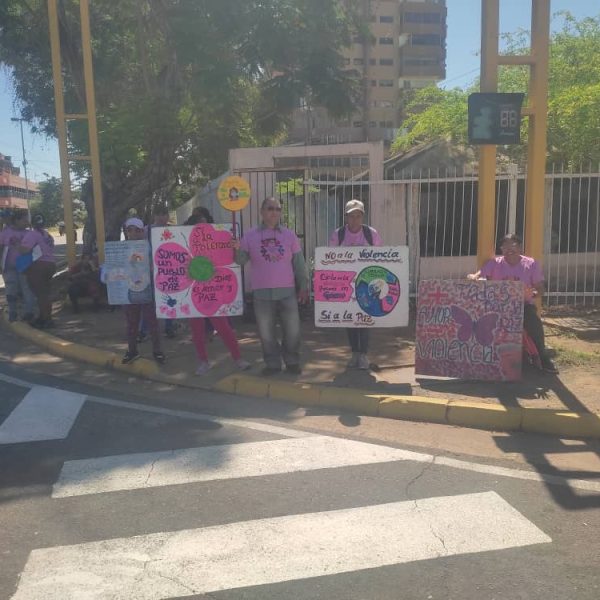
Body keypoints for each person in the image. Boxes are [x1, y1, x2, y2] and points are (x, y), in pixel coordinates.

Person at [234, 197, 308, 376]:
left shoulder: (289, 235)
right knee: (266, 334)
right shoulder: (250, 235)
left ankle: (292, 361)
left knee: (292, 332)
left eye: (277, 209)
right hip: (262, 293)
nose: (274, 212)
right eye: (270, 208)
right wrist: (236, 248)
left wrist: (304, 286)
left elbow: (299, 263)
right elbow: (240, 261)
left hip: (287, 292)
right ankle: (273, 364)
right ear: (262, 211)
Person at [468, 233, 558, 374]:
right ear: (501, 249)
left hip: (523, 305)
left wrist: (532, 294)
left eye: (513, 245)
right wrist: (474, 276)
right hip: (498, 306)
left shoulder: (531, 264)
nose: (509, 249)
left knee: (534, 323)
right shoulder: (495, 263)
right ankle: (481, 357)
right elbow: (480, 274)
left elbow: (540, 289)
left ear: (520, 247)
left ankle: (543, 357)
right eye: (505, 246)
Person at [186, 208, 250, 374]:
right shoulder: (187, 243)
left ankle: (238, 358)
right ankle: (203, 361)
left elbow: (231, 258)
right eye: (199, 226)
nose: (203, 229)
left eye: (205, 226)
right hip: (194, 292)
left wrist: (234, 247)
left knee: (223, 327)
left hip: (213, 291)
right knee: (197, 330)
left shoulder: (216, 241)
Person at [329, 199, 383, 370]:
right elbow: (330, 257)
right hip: (346, 284)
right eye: (351, 216)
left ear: (363, 216)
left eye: (358, 216)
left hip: (367, 284)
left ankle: (364, 355)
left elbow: (380, 257)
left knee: (365, 320)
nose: (355, 220)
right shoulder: (338, 234)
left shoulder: (371, 233)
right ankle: (354, 353)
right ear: (346, 217)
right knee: (350, 320)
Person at [120, 217, 165, 364]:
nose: (133, 233)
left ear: (142, 231)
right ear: (126, 232)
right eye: (130, 230)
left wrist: (152, 267)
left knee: (153, 323)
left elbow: (158, 265)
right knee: (131, 323)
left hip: (148, 290)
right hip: (129, 291)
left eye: (137, 230)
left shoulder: (150, 246)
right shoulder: (119, 248)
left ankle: (157, 351)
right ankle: (132, 351)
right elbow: (113, 269)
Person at [0, 209, 37, 322]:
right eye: (24, 220)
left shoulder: (29, 233)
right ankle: (12, 312)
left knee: (27, 289)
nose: (26, 223)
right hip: (9, 267)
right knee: (11, 290)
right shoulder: (5, 233)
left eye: (28, 220)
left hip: (26, 267)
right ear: (16, 220)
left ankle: (29, 312)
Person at [19, 214, 56, 328]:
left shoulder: (32, 234)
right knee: (45, 293)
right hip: (50, 264)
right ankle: (44, 316)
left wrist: (16, 245)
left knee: (40, 294)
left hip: (38, 266)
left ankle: (46, 319)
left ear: (33, 223)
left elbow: (25, 250)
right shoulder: (48, 235)